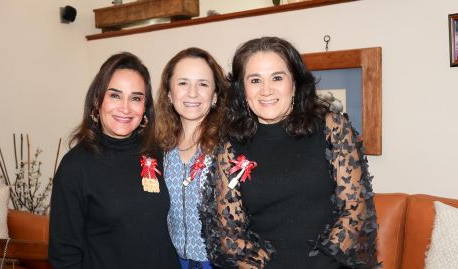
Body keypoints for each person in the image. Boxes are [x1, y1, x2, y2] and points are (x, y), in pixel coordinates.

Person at [201, 37, 379, 269]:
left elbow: (354, 210)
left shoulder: (331, 128)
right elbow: (229, 234)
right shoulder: (230, 147)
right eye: (255, 80)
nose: (266, 90)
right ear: (243, 90)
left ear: (294, 83)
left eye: (277, 77)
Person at [49, 52, 180, 269]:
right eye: (115, 95)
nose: (125, 108)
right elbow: (64, 255)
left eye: (136, 98)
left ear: (145, 109)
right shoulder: (75, 167)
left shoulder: (157, 153)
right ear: (96, 100)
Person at [155, 47, 227, 269]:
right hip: (170, 261)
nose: (193, 93)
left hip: (218, 263)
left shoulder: (229, 148)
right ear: (169, 93)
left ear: (215, 95)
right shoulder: (158, 150)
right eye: (183, 83)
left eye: (203, 84)